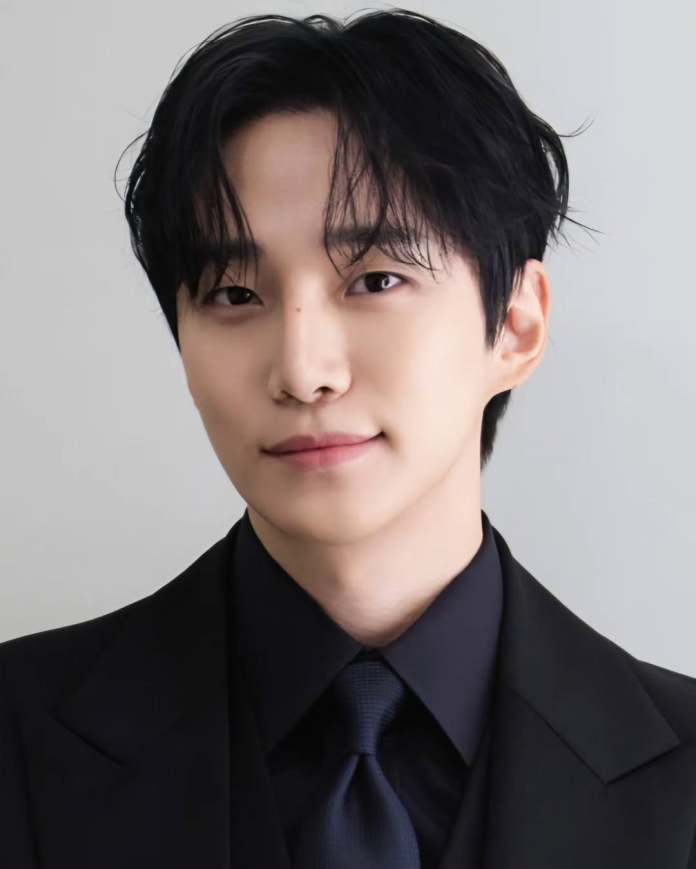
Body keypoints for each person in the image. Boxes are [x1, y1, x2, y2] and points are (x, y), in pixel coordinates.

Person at [2, 8, 695, 868]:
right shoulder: (19, 739)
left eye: (375, 278)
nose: (302, 369)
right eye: (233, 295)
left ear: (515, 325)